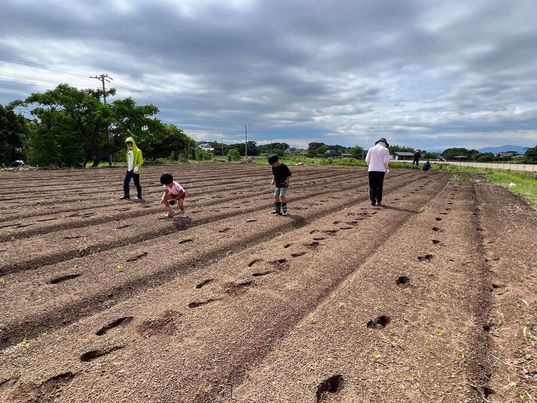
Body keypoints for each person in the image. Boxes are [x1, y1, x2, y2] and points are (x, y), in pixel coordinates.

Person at [365, 137, 390, 206]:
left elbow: (367, 160)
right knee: (379, 186)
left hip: (371, 170)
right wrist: (386, 169)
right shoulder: (385, 150)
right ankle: (378, 201)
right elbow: (385, 162)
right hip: (380, 171)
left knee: (372, 186)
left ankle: (372, 201)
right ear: (385, 143)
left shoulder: (371, 149)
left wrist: (370, 166)